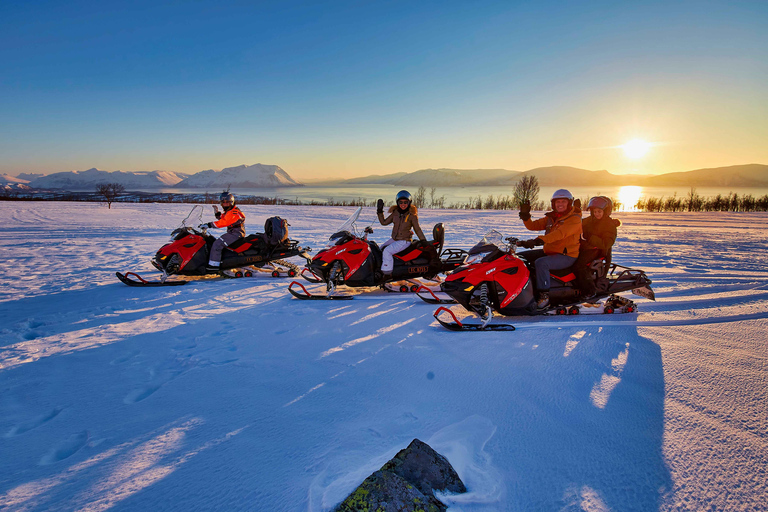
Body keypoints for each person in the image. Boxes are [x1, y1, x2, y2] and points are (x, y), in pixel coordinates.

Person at [517, 189, 582, 309]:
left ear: (569, 203)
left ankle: (544, 295)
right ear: (553, 204)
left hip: (567, 256)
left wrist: (539, 240)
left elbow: (559, 234)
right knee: (520, 257)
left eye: (563, 201)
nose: (560, 204)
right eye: (558, 202)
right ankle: (523, 290)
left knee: (541, 263)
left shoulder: (574, 219)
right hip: (550, 251)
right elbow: (533, 226)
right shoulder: (552, 218)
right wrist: (526, 216)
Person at [574, 196, 621, 297]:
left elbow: (606, 243)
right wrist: (575, 212)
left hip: (598, 250)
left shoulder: (608, 224)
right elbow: (577, 224)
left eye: (599, 211)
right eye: (594, 211)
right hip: (586, 247)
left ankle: (589, 290)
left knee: (579, 265)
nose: (596, 214)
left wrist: (590, 237)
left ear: (606, 211)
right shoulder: (590, 220)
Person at [376, 190, 427, 277]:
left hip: (404, 241)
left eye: (405, 202)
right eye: (401, 202)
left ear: (409, 203)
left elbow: (417, 229)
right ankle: (381, 267)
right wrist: (380, 211)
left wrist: (423, 240)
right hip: (395, 239)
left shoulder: (412, 215)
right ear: (397, 202)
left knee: (387, 251)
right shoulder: (395, 213)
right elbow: (384, 222)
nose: (403, 204)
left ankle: (387, 273)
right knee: (380, 249)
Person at [199, 191, 246, 271]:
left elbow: (225, 222)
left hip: (236, 233)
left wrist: (209, 225)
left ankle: (213, 266)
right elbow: (225, 218)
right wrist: (217, 214)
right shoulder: (230, 211)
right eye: (223, 203)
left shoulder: (234, 212)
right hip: (233, 232)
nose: (225, 204)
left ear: (231, 202)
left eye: (227, 202)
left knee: (217, 244)